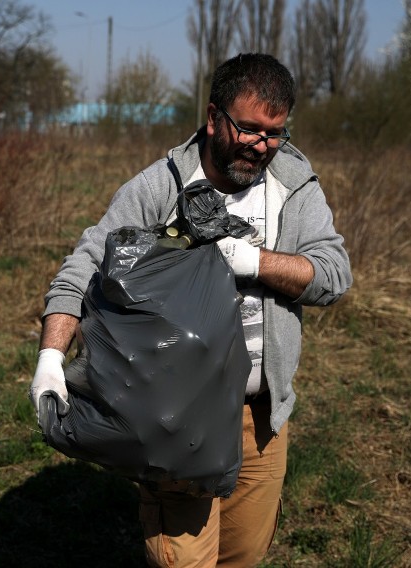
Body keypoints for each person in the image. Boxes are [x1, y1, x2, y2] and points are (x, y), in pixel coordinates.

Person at [29, 53, 352, 567]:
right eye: (248, 128)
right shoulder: (160, 187)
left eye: (274, 133)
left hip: (260, 417)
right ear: (212, 117)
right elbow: (83, 267)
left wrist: (252, 260)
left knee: (243, 556)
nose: (260, 145)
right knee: (184, 561)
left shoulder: (294, 186)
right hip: (171, 415)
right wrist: (51, 358)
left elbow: (333, 275)